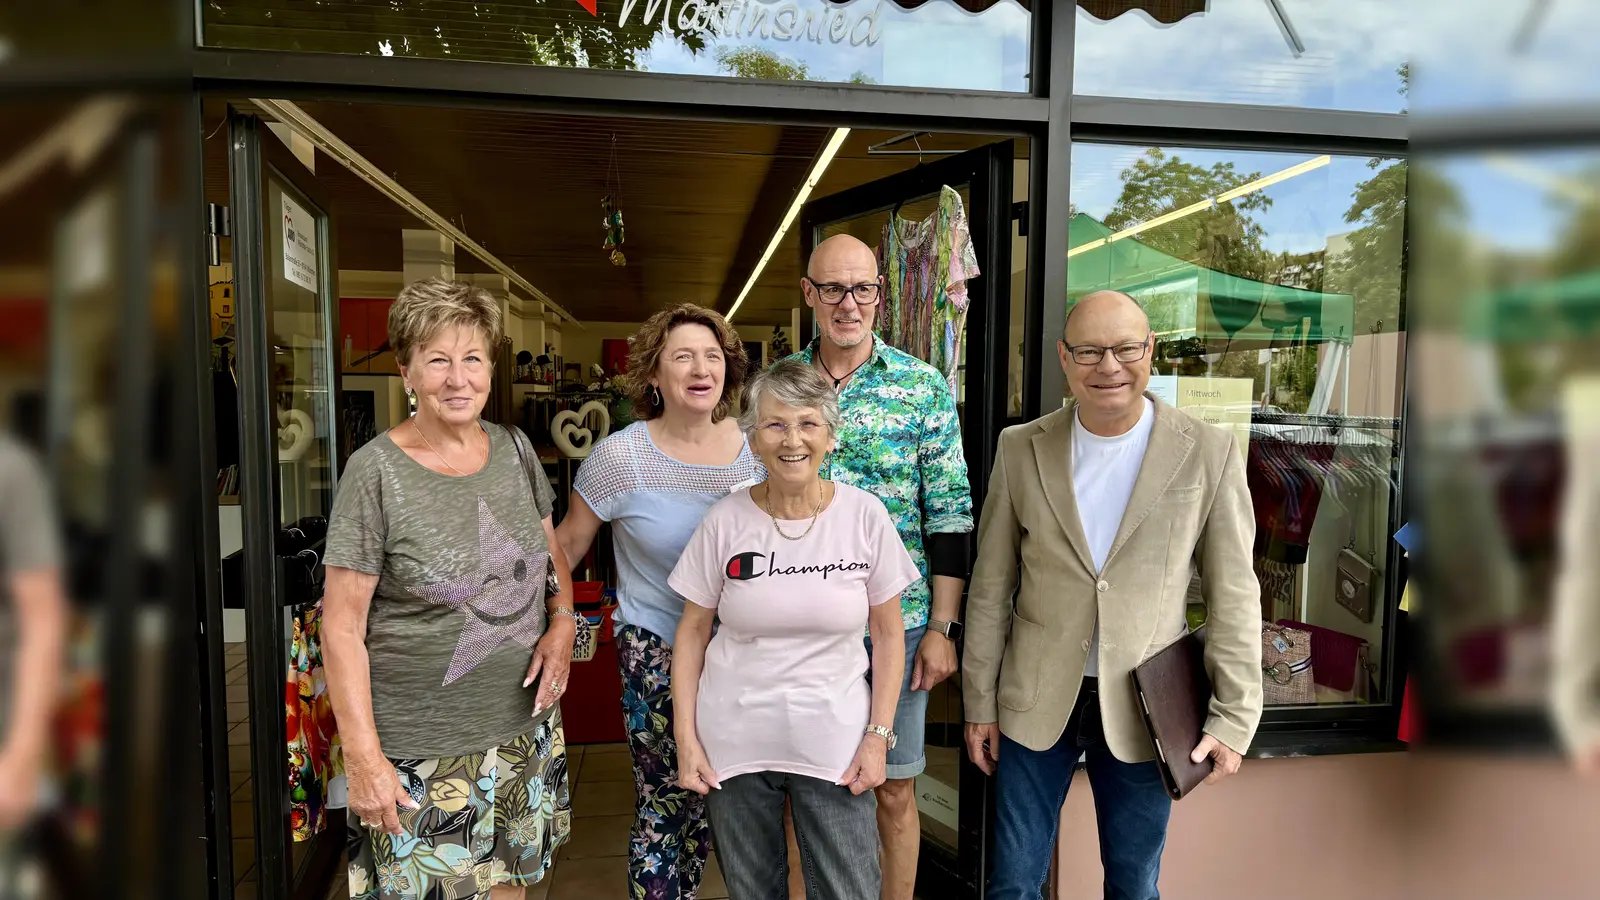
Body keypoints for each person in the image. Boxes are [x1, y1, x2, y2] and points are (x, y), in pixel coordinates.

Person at [962, 290, 1263, 900]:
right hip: (1035, 696)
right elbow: (991, 587)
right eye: (1091, 351)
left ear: (1150, 350)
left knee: (1132, 883)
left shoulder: (1206, 450)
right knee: (1012, 883)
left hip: (1145, 702)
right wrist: (979, 701)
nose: (1109, 366)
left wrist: (1233, 716)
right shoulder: (1021, 447)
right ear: (1064, 358)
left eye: (1125, 348)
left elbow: (1234, 593)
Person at [323, 278, 578, 900]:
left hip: (523, 730)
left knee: (511, 886)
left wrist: (564, 620)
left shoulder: (516, 449)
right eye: (437, 359)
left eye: (472, 358)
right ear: (407, 370)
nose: (457, 378)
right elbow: (341, 626)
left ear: (491, 367)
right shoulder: (376, 472)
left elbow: (551, 558)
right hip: (423, 752)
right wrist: (362, 759)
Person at [668, 360, 917, 900]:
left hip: (837, 744)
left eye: (808, 423)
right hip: (733, 743)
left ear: (830, 435)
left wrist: (879, 738)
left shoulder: (864, 516)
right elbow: (691, 633)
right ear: (752, 439)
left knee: (848, 889)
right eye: (775, 425)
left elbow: (890, 633)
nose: (792, 440)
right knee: (753, 891)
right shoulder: (725, 521)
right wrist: (686, 740)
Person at [783, 234, 974, 900]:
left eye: (863, 288)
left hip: (900, 626)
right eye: (832, 288)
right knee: (802, 788)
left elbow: (948, 515)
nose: (848, 303)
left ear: (881, 295)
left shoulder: (921, 387)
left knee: (894, 786)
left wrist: (946, 627)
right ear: (808, 293)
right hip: (798, 625)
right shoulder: (781, 386)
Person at [555, 303, 759, 900]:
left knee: (748, 800)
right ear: (653, 375)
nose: (701, 369)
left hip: (747, 652)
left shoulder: (757, 448)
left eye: (713, 356)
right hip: (656, 655)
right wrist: (541, 616)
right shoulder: (620, 458)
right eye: (683, 356)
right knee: (668, 803)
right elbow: (565, 547)